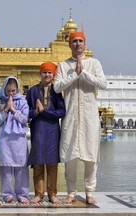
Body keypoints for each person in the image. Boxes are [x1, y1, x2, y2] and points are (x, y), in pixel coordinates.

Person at [53, 31, 107, 204]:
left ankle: (89, 192)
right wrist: (74, 74)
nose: (77, 44)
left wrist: (83, 73)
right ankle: (71, 192)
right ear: (70, 45)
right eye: (74, 41)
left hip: (89, 116)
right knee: (70, 157)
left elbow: (103, 84)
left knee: (91, 156)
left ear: (85, 43)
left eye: (80, 41)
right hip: (70, 116)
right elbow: (56, 87)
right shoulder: (63, 65)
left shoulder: (94, 63)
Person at [26, 62, 65, 204]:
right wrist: (36, 112)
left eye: (49, 72)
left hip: (53, 131)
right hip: (38, 130)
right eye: (44, 72)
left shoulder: (56, 91)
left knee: (52, 163)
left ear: (54, 75)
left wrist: (45, 111)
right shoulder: (32, 91)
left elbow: (61, 112)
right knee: (37, 162)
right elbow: (27, 112)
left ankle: (52, 194)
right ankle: (38, 194)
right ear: (40, 74)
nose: (47, 75)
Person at [0, 76, 30, 204]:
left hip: (19, 138)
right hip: (4, 138)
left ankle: (22, 193)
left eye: (13, 91)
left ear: (17, 90)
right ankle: (7, 193)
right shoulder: (0, 102)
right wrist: (6, 109)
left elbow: (25, 120)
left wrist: (13, 110)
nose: (11, 94)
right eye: (8, 91)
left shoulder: (23, 102)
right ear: (4, 90)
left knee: (21, 167)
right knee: (5, 167)